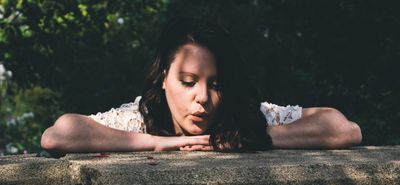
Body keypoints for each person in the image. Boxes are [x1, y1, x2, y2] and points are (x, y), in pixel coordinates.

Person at [41, 17, 362, 155]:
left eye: (217, 84)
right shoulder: (142, 116)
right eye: (188, 82)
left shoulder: (244, 115)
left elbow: (344, 128)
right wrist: (153, 143)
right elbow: (57, 135)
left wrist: (247, 138)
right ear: (165, 78)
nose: (203, 98)